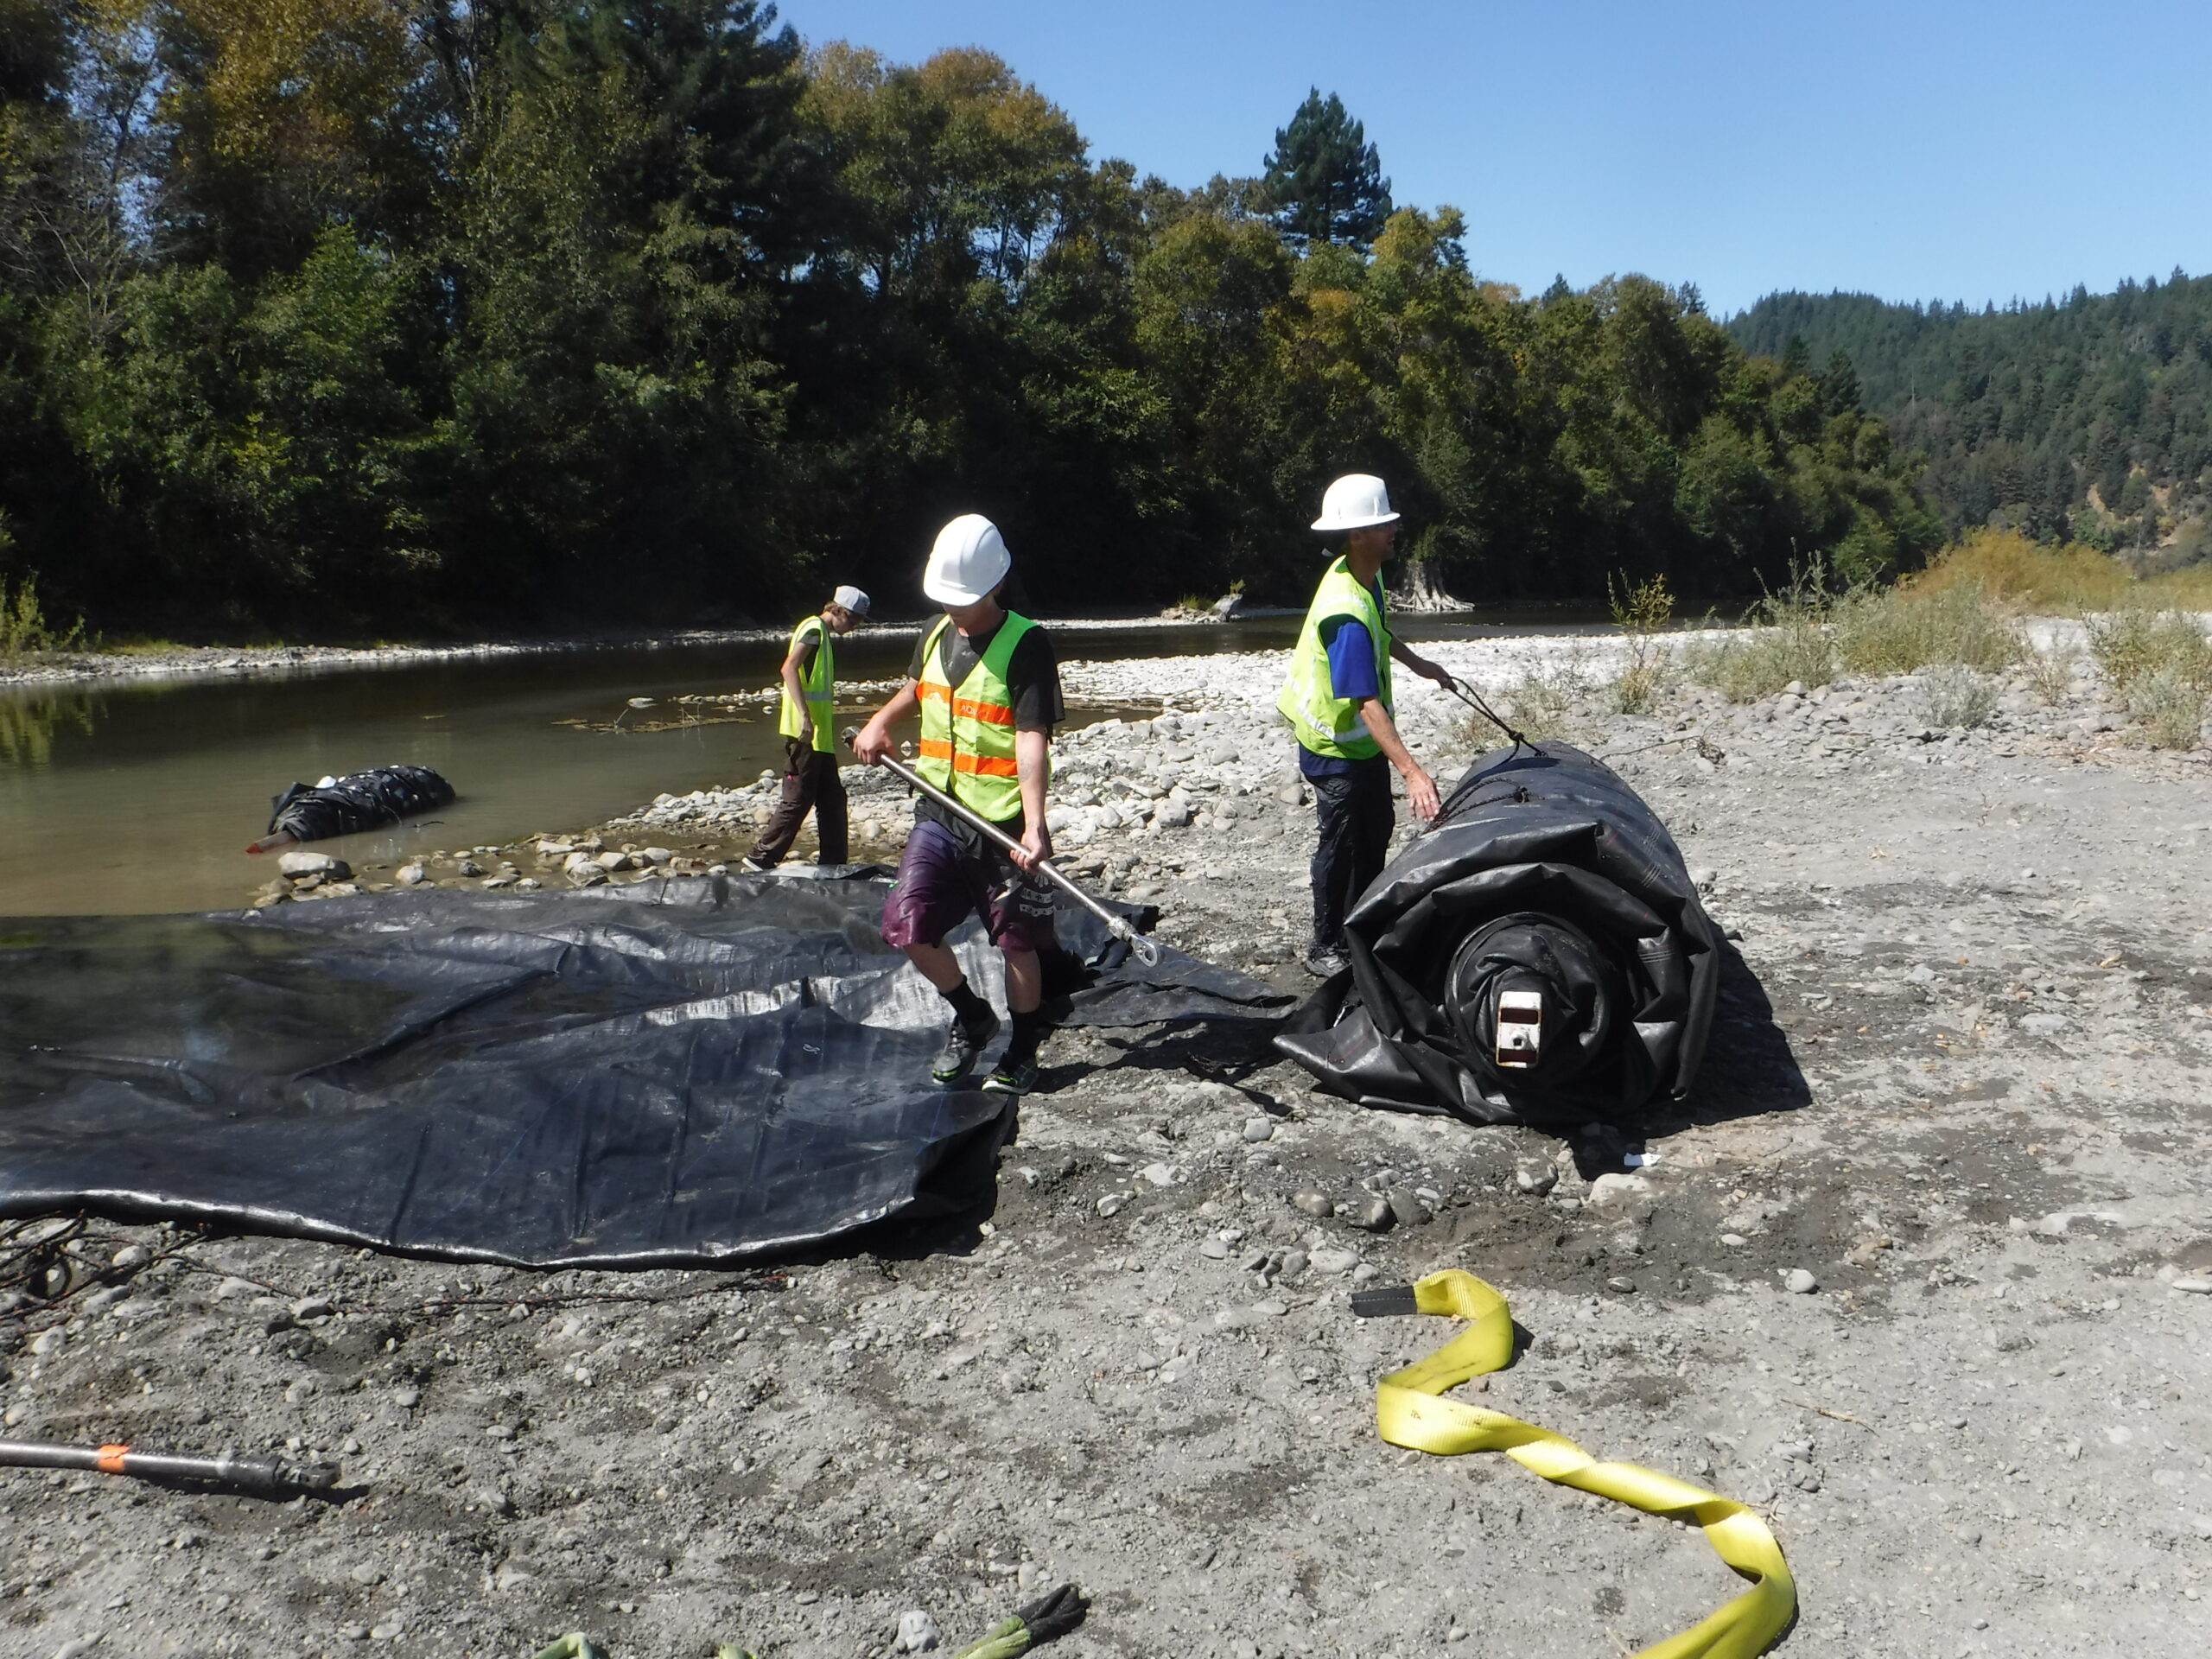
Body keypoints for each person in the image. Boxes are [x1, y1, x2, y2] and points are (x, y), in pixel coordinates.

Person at [854, 515, 1063, 1095]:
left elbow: (1031, 736)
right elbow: (919, 687)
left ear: (996, 585)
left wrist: (1036, 825)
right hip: (939, 810)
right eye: (947, 599)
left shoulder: (1027, 643)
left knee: (1016, 942)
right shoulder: (933, 631)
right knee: (907, 924)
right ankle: (971, 1015)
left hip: (1001, 821)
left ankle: (1023, 1048)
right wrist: (879, 723)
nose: (956, 609)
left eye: (964, 600)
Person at [1278, 474, 1455, 978]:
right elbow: (1364, 704)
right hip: (1334, 745)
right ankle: (1326, 945)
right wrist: (1414, 772)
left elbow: (1382, 631)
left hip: (1361, 746)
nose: (1394, 528)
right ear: (1357, 534)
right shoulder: (1344, 613)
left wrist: (1420, 664)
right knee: (1340, 845)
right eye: (1383, 523)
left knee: (1376, 828)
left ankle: (1364, 924)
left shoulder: (1365, 574)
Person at [743, 585, 870, 869]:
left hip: (819, 737)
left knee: (833, 800)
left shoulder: (822, 634)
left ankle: (834, 864)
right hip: (805, 733)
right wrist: (804, 716)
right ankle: (760, 857)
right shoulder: (814, 630)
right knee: (798, 799)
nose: (853, 627)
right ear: (838, 610)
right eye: (852, 620)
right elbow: (789, 668)